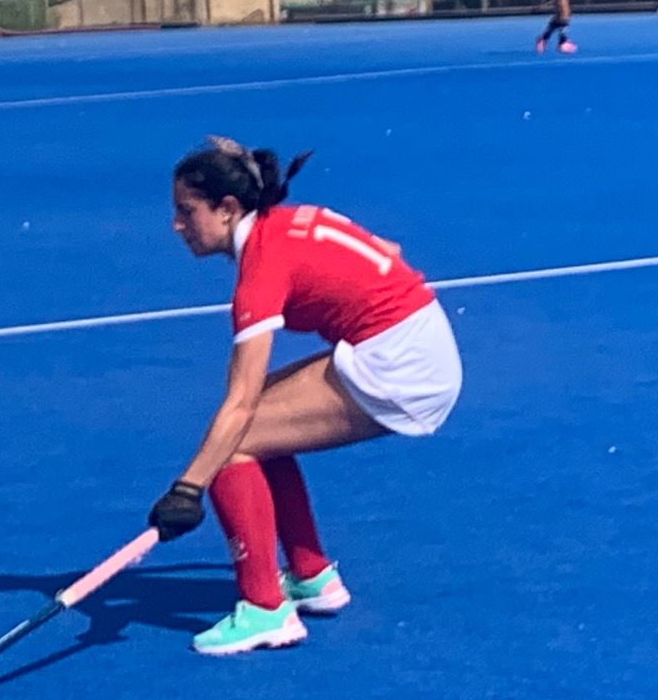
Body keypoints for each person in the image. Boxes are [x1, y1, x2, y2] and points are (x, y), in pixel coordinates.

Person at [147, 138, 463, 656]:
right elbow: (390, 252)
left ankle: (265, 610)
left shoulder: (261, 268)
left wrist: (188, 488)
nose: (177, 225)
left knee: (234, 440)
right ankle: (311, 575)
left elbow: (238, 404)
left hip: (402, 366)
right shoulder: (289, 222)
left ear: (227, 209)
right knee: (265, 417)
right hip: (413, 341)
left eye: (187, 211)